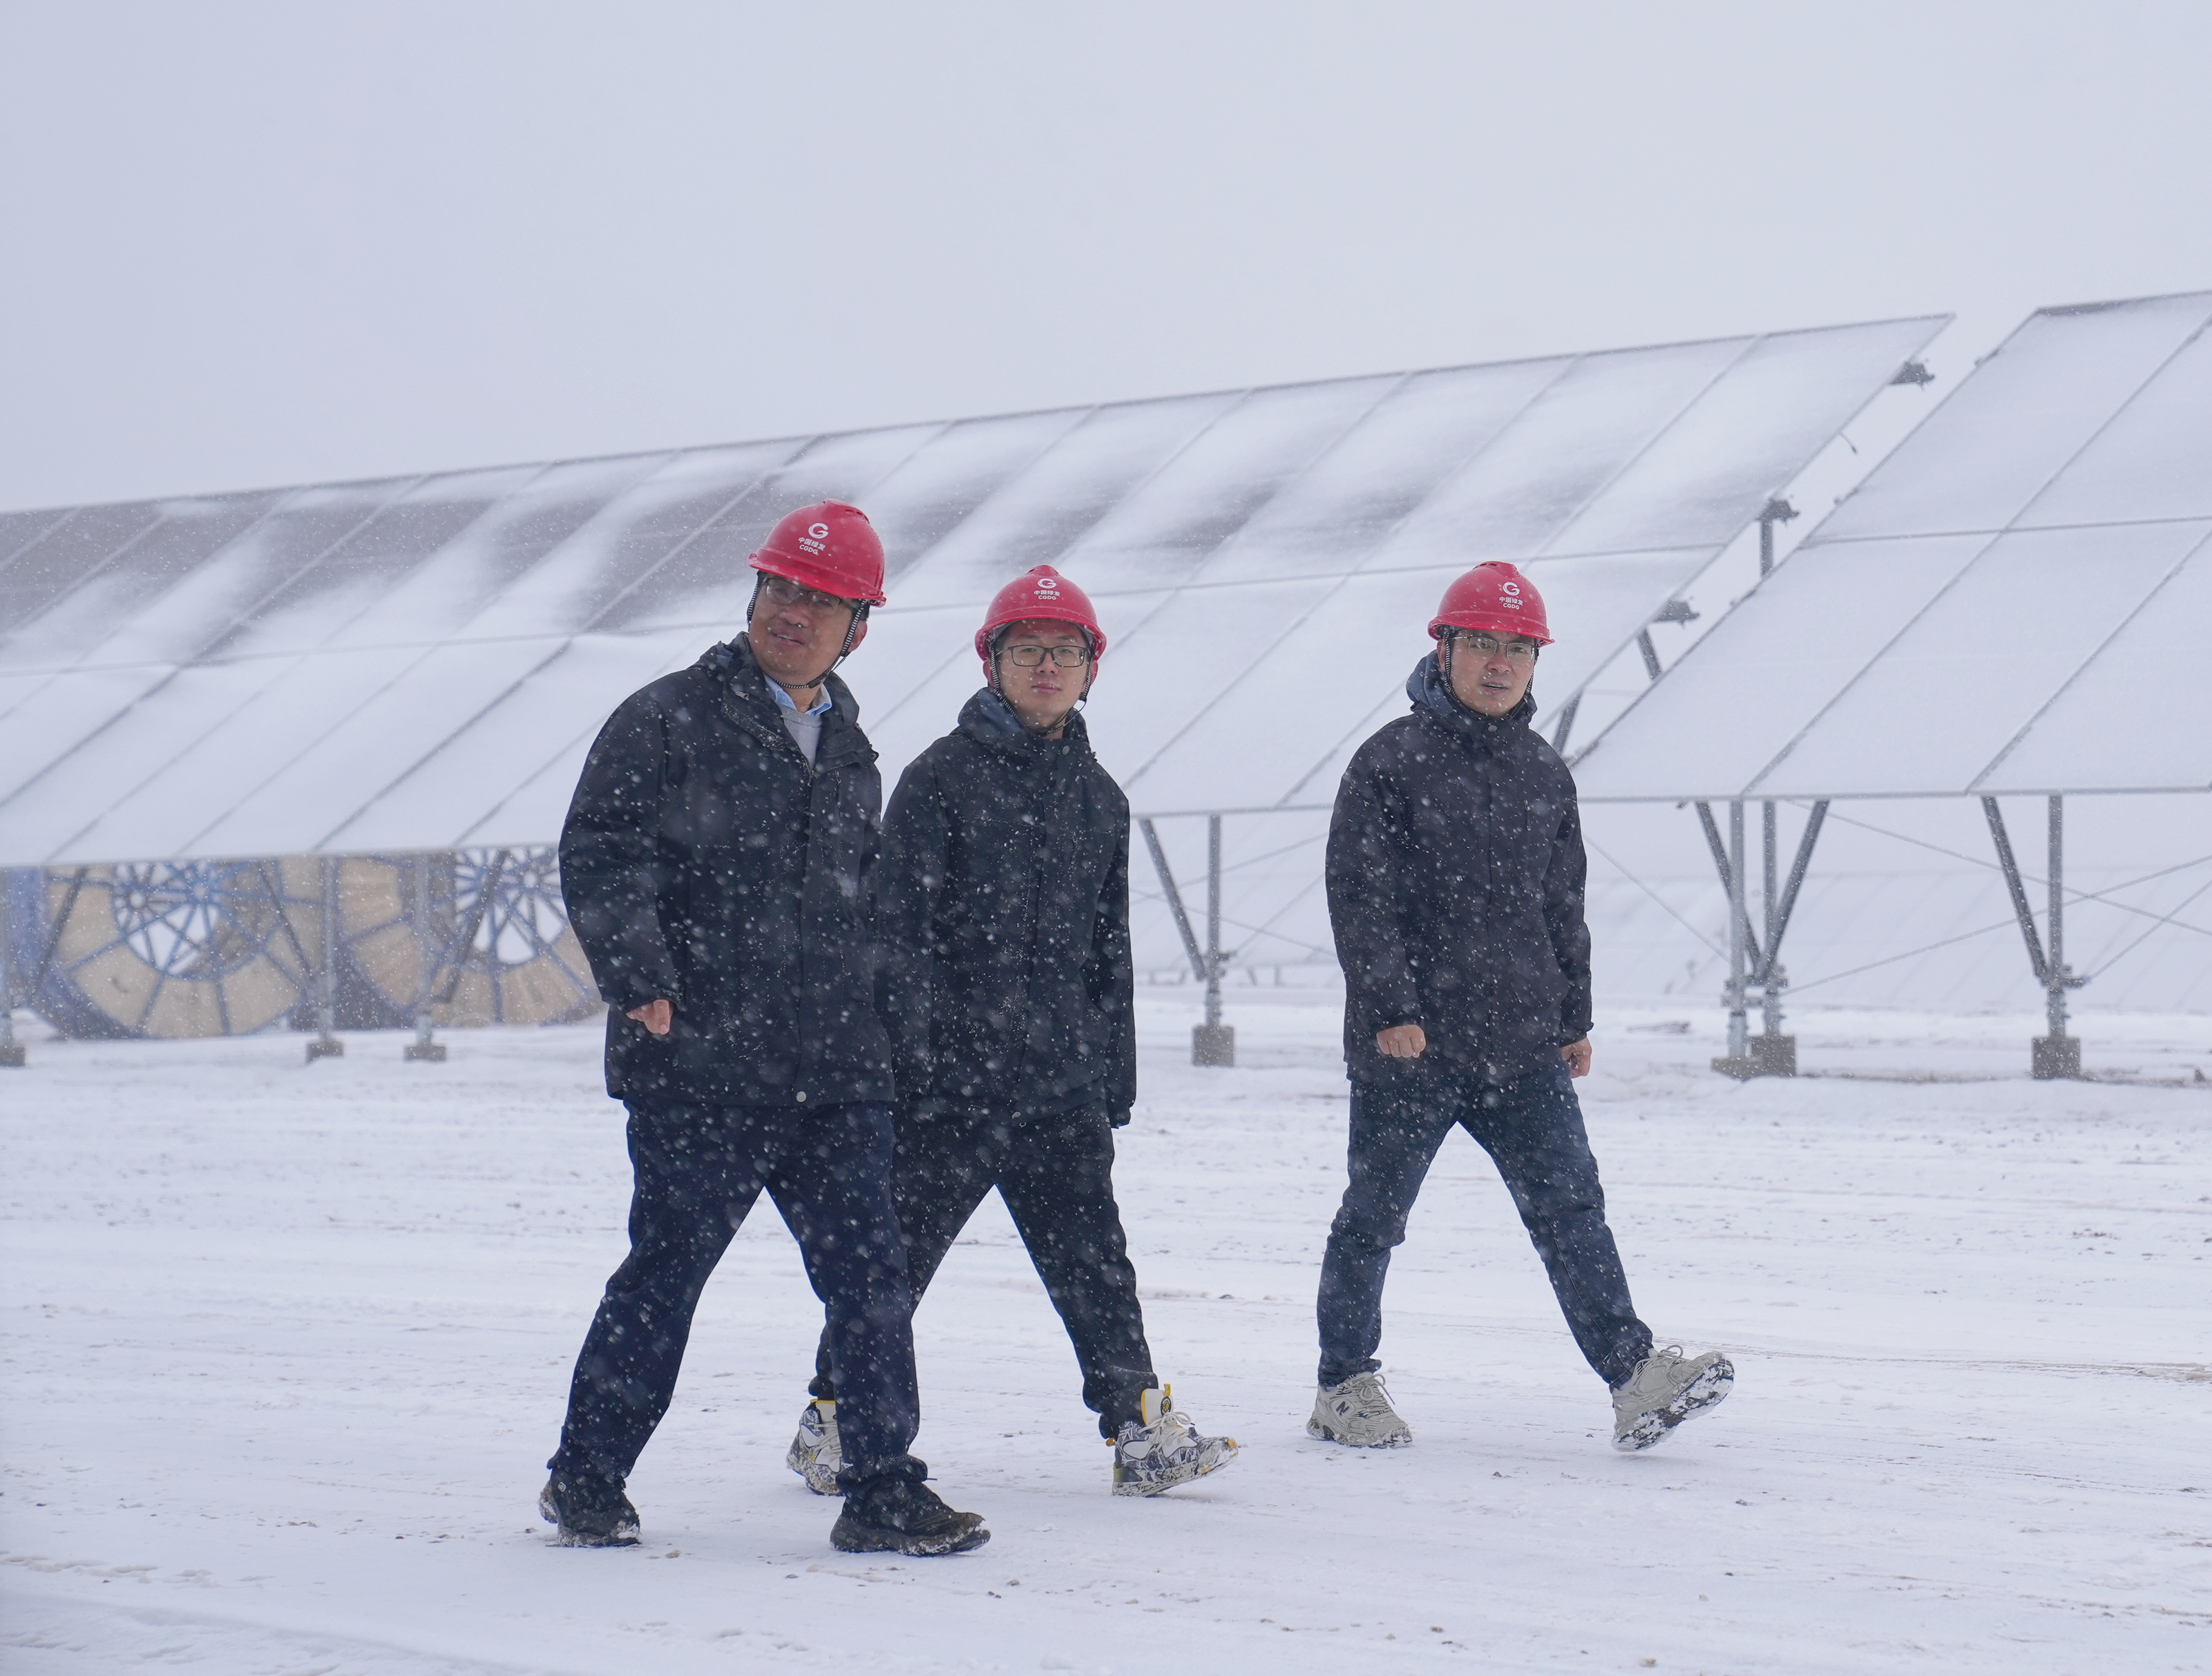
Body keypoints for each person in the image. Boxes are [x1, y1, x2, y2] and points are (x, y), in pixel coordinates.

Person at [541, 502, 985, 1557]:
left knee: (872, 1281)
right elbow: (601, 849)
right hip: (700, 1062)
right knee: (666, 1274)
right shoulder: (666, 719)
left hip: (837, 1071)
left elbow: (865, 910)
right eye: (785, 589)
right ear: (753, 596)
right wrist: (639, 971)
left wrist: (894, 1033)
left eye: (824, 601)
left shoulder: (852, 750)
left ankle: (881, 1487)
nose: (798, 612)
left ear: (859, 627)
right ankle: (587, 1477)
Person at [788, 566, 1238, 1501]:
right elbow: (895, 933)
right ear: (990, 663)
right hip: (948, 1082)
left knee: (1095, 1262)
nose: (1047, 665)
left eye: (1066, 651)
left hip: (1058, 1083)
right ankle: (831, 1419)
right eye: (1027, 649)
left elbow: (1108, 950)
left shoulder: (1098, 797)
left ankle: (1136, 1425)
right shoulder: (939, 780)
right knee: (895, 1266)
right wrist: (911, 1059)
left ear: (1090, 670)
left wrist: (1111, 1072)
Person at [1307, 560, 1733, 1453]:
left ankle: (1633, 1375)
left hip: (1519, 1046)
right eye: (1482, 644)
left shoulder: (1543, 772)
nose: (1499, 663)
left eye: (1518, 647)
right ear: (1445, 647)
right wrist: (1391, 1006)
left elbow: (1559, 904)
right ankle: (1344, 1381)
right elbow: (1361, 896)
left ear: (1535, 661)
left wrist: (1572, 1016)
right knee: (1375, 1217)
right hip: (1410, 1047)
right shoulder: (1388, 762)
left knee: (1572, 1207)